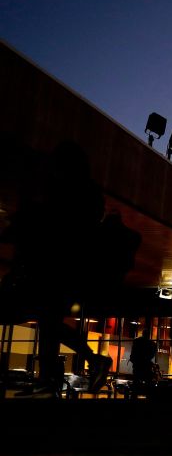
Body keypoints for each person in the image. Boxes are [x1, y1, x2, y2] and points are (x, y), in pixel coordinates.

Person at [0, 142, 113, 397]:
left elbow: (49, 225)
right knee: (48, 321)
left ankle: (55, 376)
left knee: (47, 320)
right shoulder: (88, 194)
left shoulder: (63, 192)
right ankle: (56, 376)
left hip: (54, 266)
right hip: (69, 267)